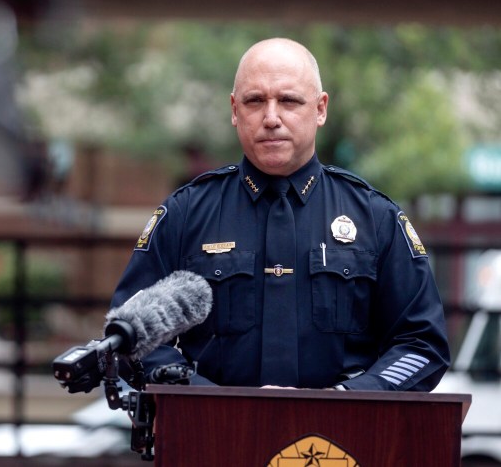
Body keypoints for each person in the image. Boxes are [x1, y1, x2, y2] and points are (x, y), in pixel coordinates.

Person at [109, 38, 450, 391]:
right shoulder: (185, 215)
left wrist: (348, 401)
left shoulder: (375, 219)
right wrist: (208, 401)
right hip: (214, 435)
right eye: (255, 101)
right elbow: (131, 338)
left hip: (341, 438)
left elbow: (421, 344)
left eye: (288, 101)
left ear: (320, 109)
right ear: (234, 109)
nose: (271, 118)